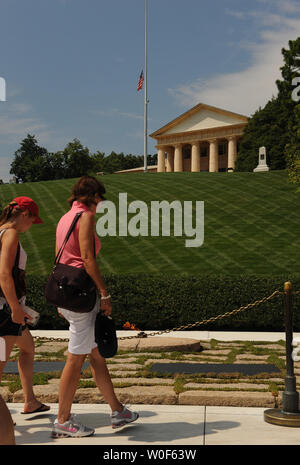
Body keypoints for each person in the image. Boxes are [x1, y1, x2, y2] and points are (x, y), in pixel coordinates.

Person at [51, 176, 139, 438]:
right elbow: (87, 259)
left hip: (67, 292)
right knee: (75, 359)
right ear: (94, 196)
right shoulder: (85, 217)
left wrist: (61, 299)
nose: (101, 204)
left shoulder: (66, 217)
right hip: (81, 295)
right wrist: (105, 293)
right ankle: (63, 420)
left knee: (96, 356)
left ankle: (117, 410)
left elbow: (58, 258)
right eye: (100, 198)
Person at [0, 197, 50, 443]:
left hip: (9, 313)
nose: (32, 225)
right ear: (24, 214)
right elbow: (4, 275)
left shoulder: (0, 232)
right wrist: (14, 308)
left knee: (28, 348)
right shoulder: (10, 235)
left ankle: (29, 400)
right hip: (4, 316)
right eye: (33, 220)